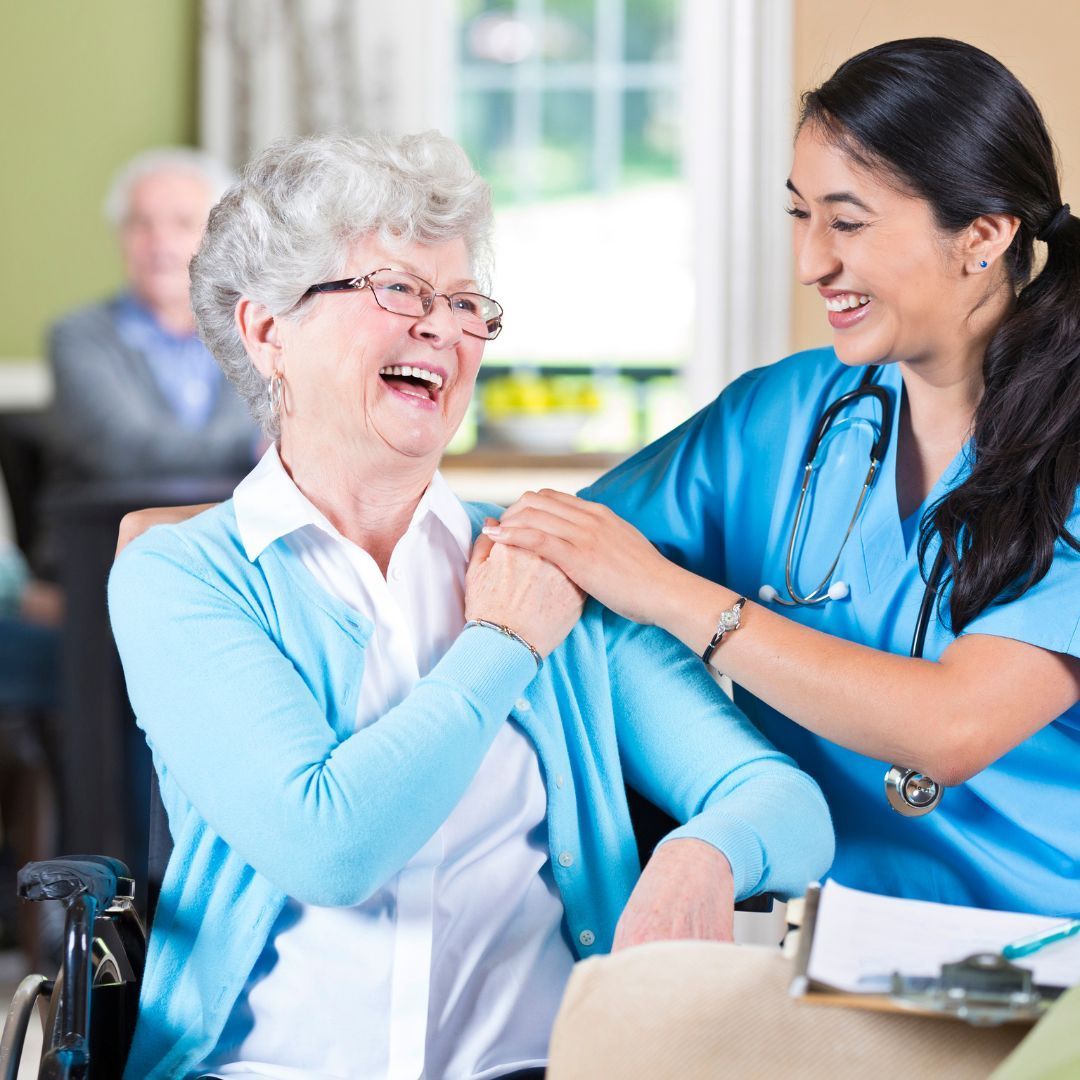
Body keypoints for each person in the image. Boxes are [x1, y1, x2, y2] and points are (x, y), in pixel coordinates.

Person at [107, 131, 833, 1080]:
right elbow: (328, 848)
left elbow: (788, 807)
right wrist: (501, 641)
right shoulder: (185, 575)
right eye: (398, 291)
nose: (443, 329)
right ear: (266, 329)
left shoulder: (552, 559)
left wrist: (707, 854)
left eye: (462, 303)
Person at [488, 36, 1080, 920]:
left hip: (1037, 962)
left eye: (847, 222)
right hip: (815, 942)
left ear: (983, 236)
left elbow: (952, 729)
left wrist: (672, 596)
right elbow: (544, 547)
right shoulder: (783, 414)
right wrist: (247, 531)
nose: (812, 262)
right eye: (800, 216)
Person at [49, 148, 259, 481]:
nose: (160, 242)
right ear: (121, 237)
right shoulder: (79, 336)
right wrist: (255, 446)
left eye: (183, 223)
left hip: (235, 527)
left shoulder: (255, 331)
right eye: (141, 224)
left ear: (221, 239)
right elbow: (125, 447)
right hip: (115, 527)